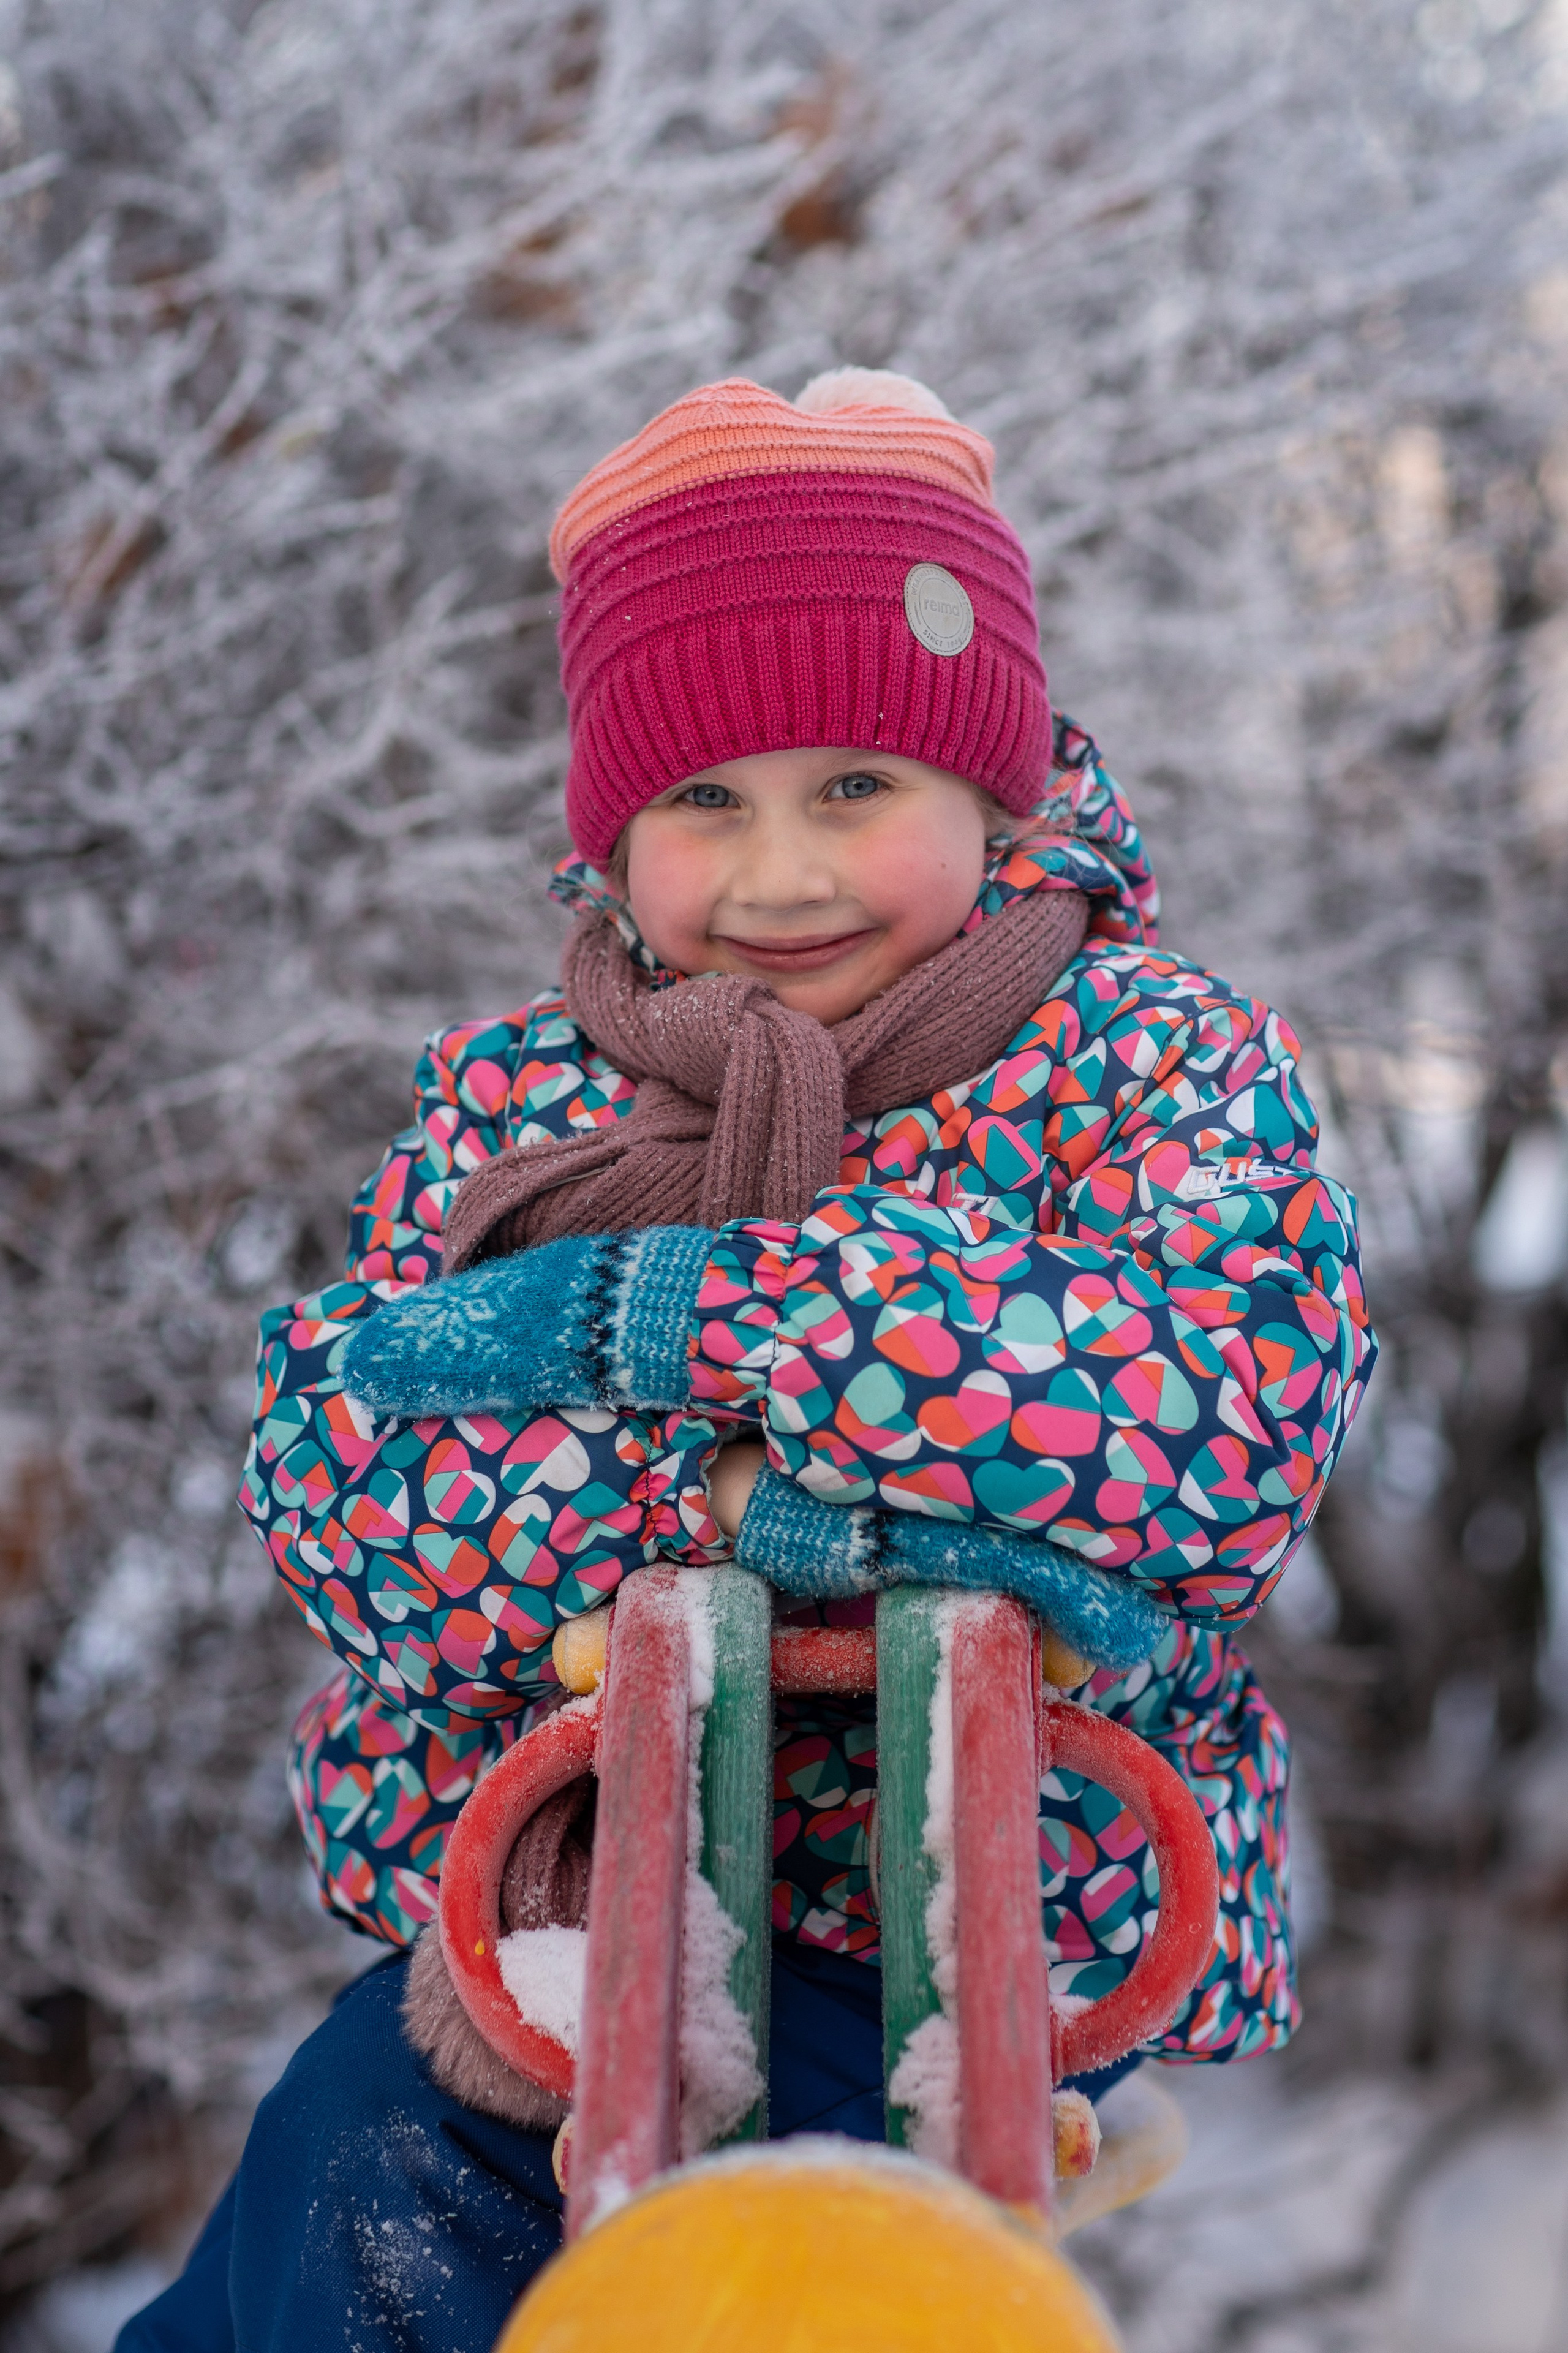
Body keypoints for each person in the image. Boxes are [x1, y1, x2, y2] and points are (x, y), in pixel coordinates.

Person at [118, 371, 1375, 2351]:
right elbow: (346, 1467)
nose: (778, 874)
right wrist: (726, 1500)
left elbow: (1209, 1417)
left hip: (972, 1921)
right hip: (560, 1900)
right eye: (706, 799)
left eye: (854, 787)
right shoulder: (525, 1093)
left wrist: (681, 1319)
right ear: (617, 824)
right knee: (347, 2194)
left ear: (996, 786)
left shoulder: (1156, 1064)